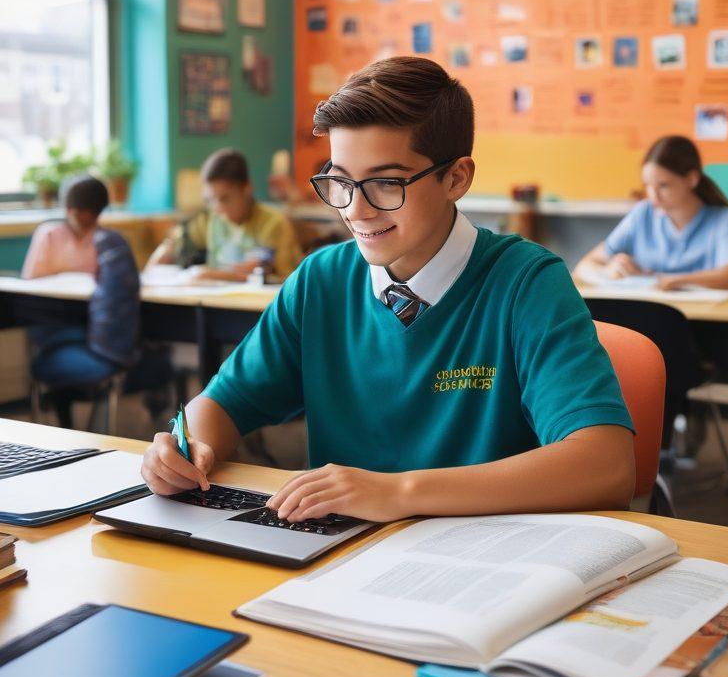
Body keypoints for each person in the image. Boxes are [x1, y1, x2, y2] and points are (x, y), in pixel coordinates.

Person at [141, 57, 635, 522]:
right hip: (341, 559)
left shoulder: (526, 282)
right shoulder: (321, 282)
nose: (356, 210)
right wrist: (183, 450)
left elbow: (606, 465)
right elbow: (225, 403)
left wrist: (398, 493)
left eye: (386, 184)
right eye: (340, 182)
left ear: (456, 178)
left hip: (487, 563)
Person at [23, 175, 140, 426]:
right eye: (80, 218)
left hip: (89, 322)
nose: (87, 225)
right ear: (68, 210)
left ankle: (81, 403)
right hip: (51, 319)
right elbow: (30, 281)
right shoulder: (49, 234)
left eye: (94, 218)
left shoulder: (107, 240)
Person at [575, 135, 728, 291]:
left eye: (664, 185)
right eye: (647, 185)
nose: (653, 195)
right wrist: (609, 268)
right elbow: (584, 265)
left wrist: (675, 280)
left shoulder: (721, 218)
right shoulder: (642, 213)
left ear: (691, 179)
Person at [147, 148, 302, 282]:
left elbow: (285, 279)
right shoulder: (210, 218)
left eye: (225, 198)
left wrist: (211, 274)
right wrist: (154, 266)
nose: (217, 208)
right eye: (210, 200)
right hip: (213, 305)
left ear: (247, 188)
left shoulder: (274, 224)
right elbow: (175, 242)